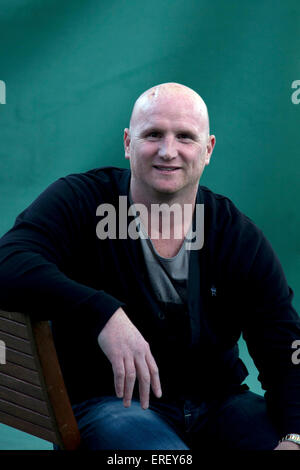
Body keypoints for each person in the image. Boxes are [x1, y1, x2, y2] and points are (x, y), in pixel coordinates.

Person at [0, 83, 299, 451]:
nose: (168, 151)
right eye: (153, 134)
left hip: (221, 406)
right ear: (128, 143)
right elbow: (8, 262)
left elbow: (286, 350)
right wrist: (103, 312)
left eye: (185, 137)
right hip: (113, 407)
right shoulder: (81, 201)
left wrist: (293, 436)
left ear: (208, 150)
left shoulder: (235, 235)